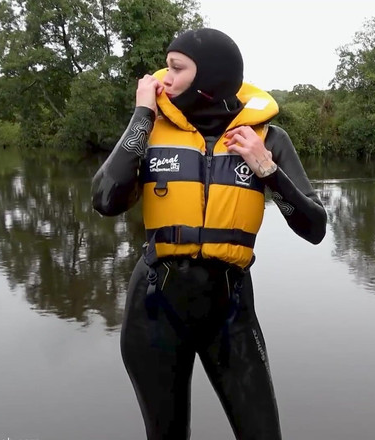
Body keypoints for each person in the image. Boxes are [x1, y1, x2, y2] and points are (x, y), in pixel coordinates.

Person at [91, 28, 327, 440]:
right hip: (154, 308)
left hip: (230, 310)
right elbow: (106, 200)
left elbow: (314, 229)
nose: (164, 77)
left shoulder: (268, 139)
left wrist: (267, 169)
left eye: (176, 68)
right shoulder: (151, 129)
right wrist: (142, 115)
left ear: (210, 77)